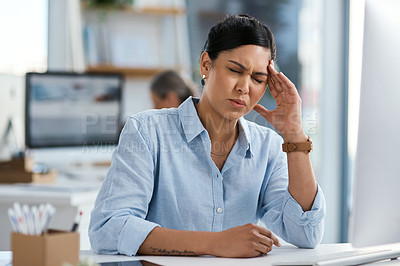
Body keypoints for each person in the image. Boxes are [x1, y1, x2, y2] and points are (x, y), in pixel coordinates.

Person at [89, 14, 326, 258]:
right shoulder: (147, 131)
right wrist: (214, 243)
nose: (244, 87)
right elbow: (108, 228)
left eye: (258, 78)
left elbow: (306, 233)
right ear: (206, 65)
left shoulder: (269, 147)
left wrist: (294, 134)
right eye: (235, 70)